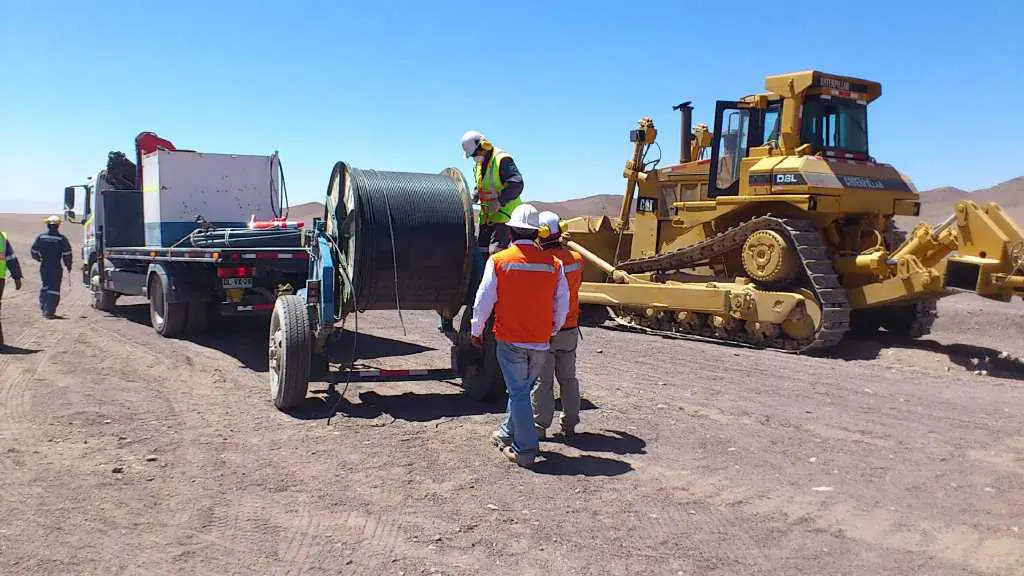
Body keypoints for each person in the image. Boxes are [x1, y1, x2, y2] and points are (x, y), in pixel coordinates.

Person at [471, 204, 569, 467]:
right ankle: (506, 433)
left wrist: (475, 330)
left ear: (511, 232)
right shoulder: (554, 263)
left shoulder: (499, 261)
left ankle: (525, 450)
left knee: (518, 393)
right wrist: (553, 329)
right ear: (537, 233)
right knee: (522, 390)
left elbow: (483, 301)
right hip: (540, 341)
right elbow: (563, 303)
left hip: (511, 340)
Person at [531, 211, 585, 438]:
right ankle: (570, 425)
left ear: (541, 235)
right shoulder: (577, 259)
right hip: (570, 328)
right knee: (568, 379)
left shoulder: (543, 262)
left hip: (546, 330)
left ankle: (540, 427)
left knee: (543, 382)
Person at [461, 130, 525, 254]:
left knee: (496, 253)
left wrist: (500, 201)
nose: (474, 158)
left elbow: (517, 183)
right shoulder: (480, 164)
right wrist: (476, 194)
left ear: (484, 145)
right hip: (487, 218)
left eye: (474, 154)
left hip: (505, 218)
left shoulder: (502, 159)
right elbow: (482, 183)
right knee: (481, 253)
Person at [30, 215, 73, 319]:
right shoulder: (62, 239)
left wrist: (38, 258)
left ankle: (44, 308)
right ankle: (49, 310)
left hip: (44, 266)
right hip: (56, 266)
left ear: (48, 225)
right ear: (58, 225)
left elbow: (33, 251)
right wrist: (68, 266)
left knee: (46, 285)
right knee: (54, 288)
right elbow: (67, 254)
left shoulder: (41, 237)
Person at [0, 230, 25, 348]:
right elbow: (11, 258)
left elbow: (10, 258)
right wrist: (17, 277)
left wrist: (17, 276)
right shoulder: (2, 238)